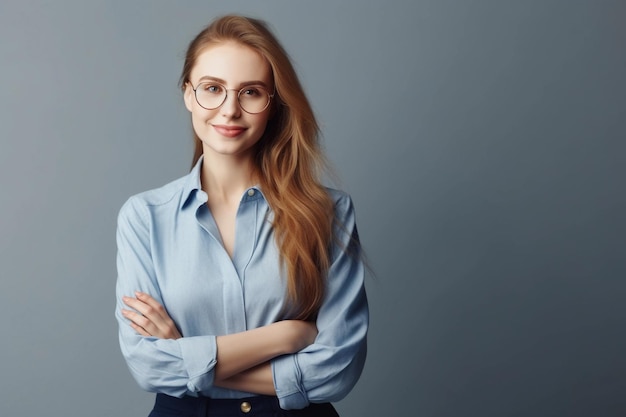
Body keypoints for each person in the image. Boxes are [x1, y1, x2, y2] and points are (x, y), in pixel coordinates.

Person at [115, 14, 368, 417]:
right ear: (187, 94)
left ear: (273, 104)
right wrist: (285, 336)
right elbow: (149, 366)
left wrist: (187, 354)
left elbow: (337, 371)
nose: (229, 110)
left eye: (250, 92)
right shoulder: (145, 217)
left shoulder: (329, 213)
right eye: (212, 89)